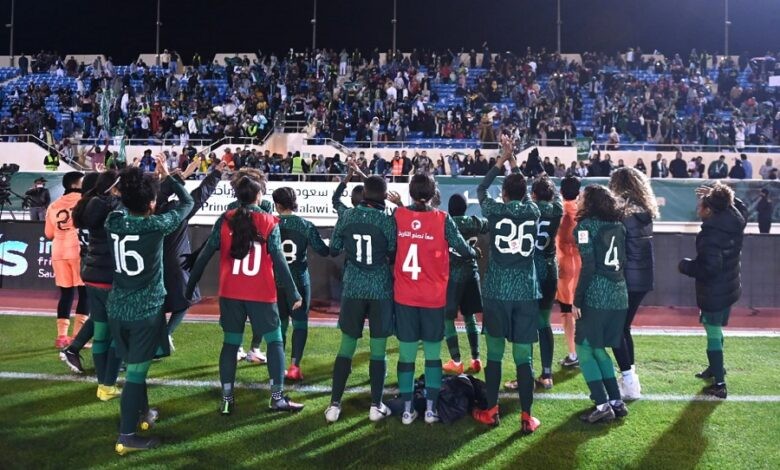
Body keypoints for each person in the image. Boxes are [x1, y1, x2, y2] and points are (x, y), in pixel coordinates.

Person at [186, 176, 304, 416]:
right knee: (275, 341)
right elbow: (279, 260)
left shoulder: (225, 219)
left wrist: (189, 288)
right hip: (261, 292)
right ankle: (277, 398)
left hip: (231, 293)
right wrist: (293, 293)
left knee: (230, 344)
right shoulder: (269, 221)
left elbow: (205, 255)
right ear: (258, 196)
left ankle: (227, 399)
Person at [106, 157, 194, 454]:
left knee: (135, 366)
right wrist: (169, 177)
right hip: (145, 311)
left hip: (117, 307)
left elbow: (119, 203)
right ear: (152, 203)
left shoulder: (113, 221)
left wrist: (130, 183)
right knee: (135, 374)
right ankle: (126, 436)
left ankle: (143, 413)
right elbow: (187, 203)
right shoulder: (156, 225)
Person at [392, 174, 476, 424]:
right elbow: (463, 248)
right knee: (432, 356)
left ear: (411, 192)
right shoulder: (442, 218)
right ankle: (430, 410)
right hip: (433, 298)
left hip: (405, 296)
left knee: (406, 356)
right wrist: (474, 251)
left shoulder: (398, 215)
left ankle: (407, 410)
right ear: (432, 194)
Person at [471, 137, 541, 434]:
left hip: (496, 291)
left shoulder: (494, 210)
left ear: (504, 193)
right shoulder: (533, 211)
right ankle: (527, 416)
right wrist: (513, 162)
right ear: (524, 194)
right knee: (524, 357)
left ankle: (491, 410)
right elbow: (523, 193)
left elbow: (481, 188)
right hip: (525, 291)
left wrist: (501, 160)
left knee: (495, 354)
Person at [325, 175, 396, 424]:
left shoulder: (347, 216)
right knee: (378, 349)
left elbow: (334, 249)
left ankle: (334, 405)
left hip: (353, 286)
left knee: (347, 346)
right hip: (379, 288)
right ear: (384, 196)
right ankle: (376, 406)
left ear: (364, 193)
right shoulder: (387, 220)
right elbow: (393, 253)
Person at [679, 183, 747, 399]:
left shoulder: (711, 234)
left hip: (715, 290)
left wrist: (685, 266)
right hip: (729, 286)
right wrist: (720, 195)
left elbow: (709, 268)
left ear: (710, 210)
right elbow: (739, 206)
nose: (698, 208)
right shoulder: (734, 218)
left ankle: (719, 384)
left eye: (701, 205)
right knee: (715, 329)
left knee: (713, 331)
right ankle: (716, 368)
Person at [62, 170, 124, 401]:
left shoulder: (85, 207)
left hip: (91, 271)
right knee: (117, 333)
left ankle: (102, 382)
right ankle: (108, 381)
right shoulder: (109, 208)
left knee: (100, 329)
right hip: (108, 274)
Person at [573, 185, 629, 423]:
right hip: (619, 294)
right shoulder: (619, 225)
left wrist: (577, 299)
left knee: (584, 348)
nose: (578, 200)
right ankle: (616, 401)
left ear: (591, 203)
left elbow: (589, 267)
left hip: (598, 295)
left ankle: (602, 404)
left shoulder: (585, 227)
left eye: (582, 197)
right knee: (598, 348)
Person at [160, 157, 221, 351]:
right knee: (186, 300)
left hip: (152, 265)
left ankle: (160, 335)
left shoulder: (149, 211)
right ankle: (166, 334)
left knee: (157, 304)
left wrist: (174, 176)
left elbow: (161, 191)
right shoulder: (177, 212)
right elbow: (199, 196)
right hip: (176, 264)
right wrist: (216, 174)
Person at [609, 168, 658, 400]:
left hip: (626, 278)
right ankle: (630, 378)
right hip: (643, 278)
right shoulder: (646, 212)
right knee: (624, 327)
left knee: (615, 329)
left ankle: (629, 383)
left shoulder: (621, 214)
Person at [271, 187, 330, 381]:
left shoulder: (271, 223)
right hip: (299, 282)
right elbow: (323, 251)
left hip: (276, 281)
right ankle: (295, 366)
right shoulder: (305, 225)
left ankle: (278, 366)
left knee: (280, 324)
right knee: (300, 324)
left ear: (277, 204)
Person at [442, 194, 488, 376]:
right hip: (471, 273)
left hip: (453, 276)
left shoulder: (446, 223)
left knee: (447, 318)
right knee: (470, 316)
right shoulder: (474, 222)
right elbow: (489, 224)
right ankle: (476, 359)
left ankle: (456, 361)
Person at [45, 171, 88, 349]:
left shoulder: (53, 205)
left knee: (66, 294)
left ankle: (61, 336)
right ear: (76, 184)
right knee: (85, 294)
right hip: (78, 251)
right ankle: (78, 336)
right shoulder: (84, 201)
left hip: (58, 252)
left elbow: (48, 234)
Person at [556, 176, 582, 367]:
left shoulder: (559, 210)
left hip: (565, 265)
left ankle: (574, 354)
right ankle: (584, 350)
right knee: (580, 309)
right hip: (581, 264)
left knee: (567, 311)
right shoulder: (583, 211)